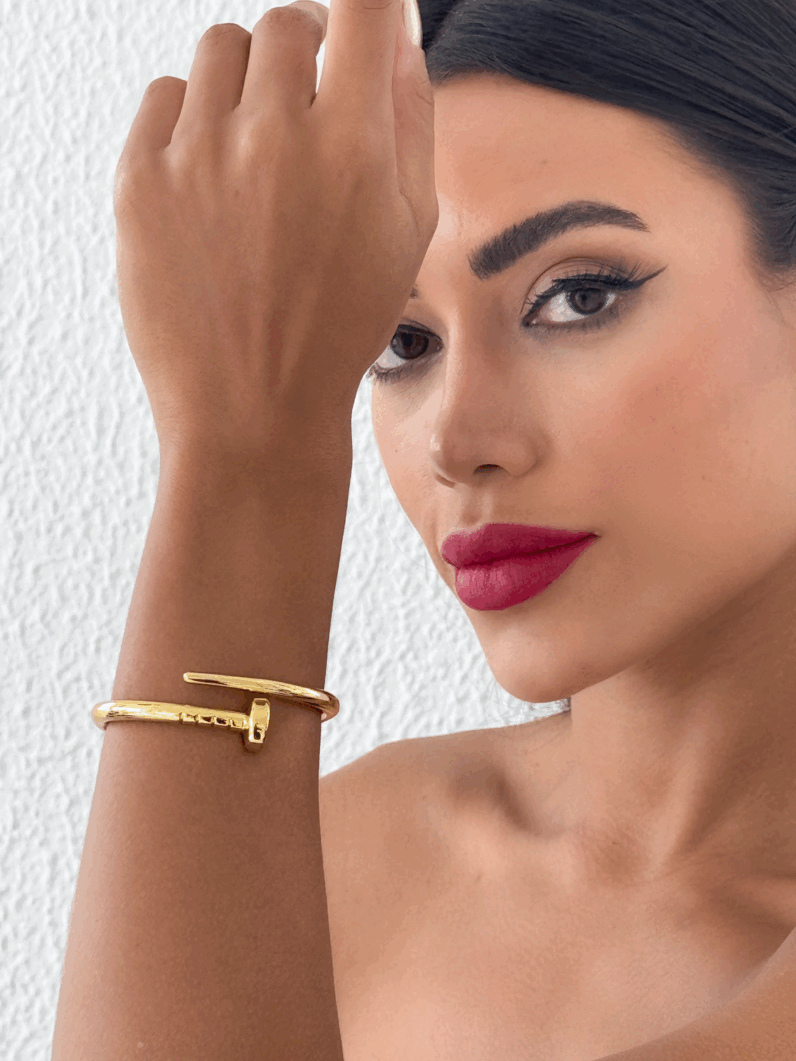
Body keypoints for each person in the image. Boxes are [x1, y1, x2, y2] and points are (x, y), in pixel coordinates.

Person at [52, 0, 796, 1058]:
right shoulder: (341, 845)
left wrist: (247, 450)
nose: (456, 438)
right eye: (401, 341)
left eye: (578, 298)